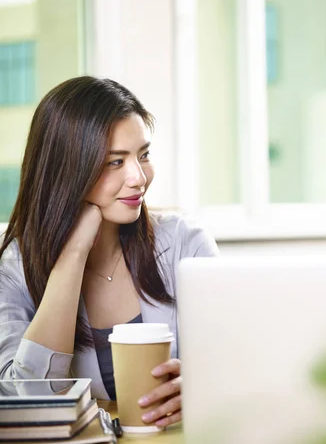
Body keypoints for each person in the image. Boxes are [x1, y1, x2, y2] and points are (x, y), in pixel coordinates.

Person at [0, 76, 218, 428]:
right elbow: (24, 402)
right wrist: (73, 254)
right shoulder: (13, 268)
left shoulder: (184, 242)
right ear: (67, 171)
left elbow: (235, 361)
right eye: (114, 162)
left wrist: (204, 384)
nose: (138, 178)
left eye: (143, 155)